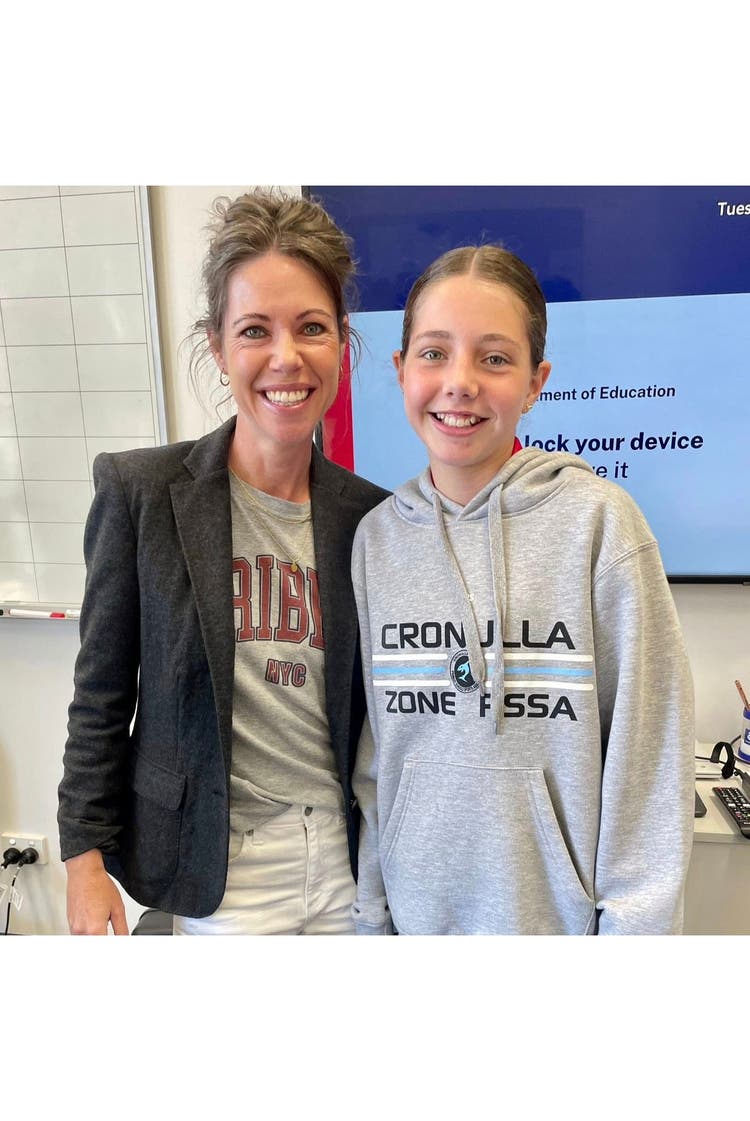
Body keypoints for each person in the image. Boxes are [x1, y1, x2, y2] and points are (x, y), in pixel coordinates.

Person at [57, 189, 389, 935]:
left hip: (349, 861)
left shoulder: (372, 517)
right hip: (223, 865)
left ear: (341, 339)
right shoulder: (142, 493)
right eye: (254, 330)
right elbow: (101, 694)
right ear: (217, 346)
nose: (286, 357)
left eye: (311, 327)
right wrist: (83, 856)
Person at [350, 244, 694, 935]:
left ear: (536, 382)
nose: (460, 382)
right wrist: (371, 918)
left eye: (495, 358)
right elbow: (380, 762)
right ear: (400, 369)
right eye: (434, 352)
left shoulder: (599, 524)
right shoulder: (376, 541)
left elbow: (649, 766)